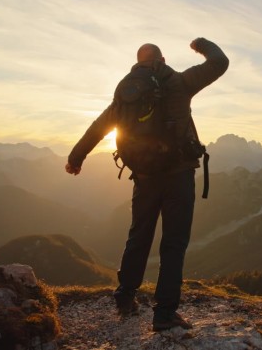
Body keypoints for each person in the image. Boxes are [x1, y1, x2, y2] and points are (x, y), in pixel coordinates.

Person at [65, 37, 229, 331]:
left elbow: (99, 126)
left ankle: (125, 296)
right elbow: (220, 63)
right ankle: (164, 313)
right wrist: (201, 44)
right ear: (162, 60)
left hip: (144, 176)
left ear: (138, 62)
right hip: (178, 176)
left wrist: (76, 158)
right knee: (174, 243)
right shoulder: (180, 82)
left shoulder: (127, 92)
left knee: (139, 235)